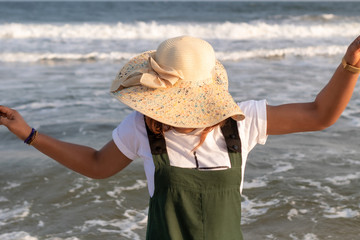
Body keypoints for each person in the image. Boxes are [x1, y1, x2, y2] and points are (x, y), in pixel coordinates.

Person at [1, 35, 360, 240]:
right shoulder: (140, 126)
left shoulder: (241, 120)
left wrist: (351, 63)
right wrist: (29, 134)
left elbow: (319, 115)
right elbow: (97, 165)